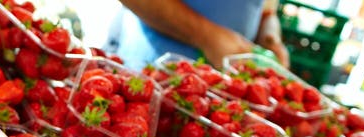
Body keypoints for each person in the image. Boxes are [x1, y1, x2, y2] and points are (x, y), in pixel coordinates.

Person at [114, 0, 290, 71]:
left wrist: (270, 37)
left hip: (224, 94)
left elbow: (267, 10)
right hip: (152, 68)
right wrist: (207, 36)